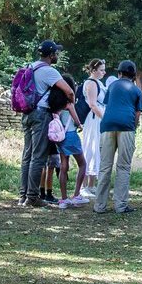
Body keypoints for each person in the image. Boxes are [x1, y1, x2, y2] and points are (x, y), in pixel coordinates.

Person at [19, 41, 76, 208]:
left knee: (27, 156)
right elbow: (69, 91)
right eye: (56, 53)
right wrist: (71, 101)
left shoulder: (30, 66)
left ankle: (23, 195)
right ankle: (32, 197)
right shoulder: (49, 71)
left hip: (27, 113)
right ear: (51, 55)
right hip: (41, 115)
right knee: (38, 157)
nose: (57, 55)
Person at [93, 61, 142, 214]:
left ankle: (99, 205)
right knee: (123, 166)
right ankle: (120, 205)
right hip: (126, 127)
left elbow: (108, 104)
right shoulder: (136, 90)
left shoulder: (113, 86)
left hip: (107, 126)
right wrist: (132, 128)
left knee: (105, 166)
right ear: (133, 75)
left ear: (120, 73)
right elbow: (137, 113)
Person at [54, 72, 90, 208]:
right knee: (82, 164)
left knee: (64, 167)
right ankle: (76, 195)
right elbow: (76, 120)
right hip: (71, 136)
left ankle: (63, 199)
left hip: (60, 138)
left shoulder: (56, 103)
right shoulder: (69, 103)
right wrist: (80, 125)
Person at [75, 60, 108, 198]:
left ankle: (91, 185)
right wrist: (105, 119)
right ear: (93, 70)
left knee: (97, 150)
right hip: (94, 120)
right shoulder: (91, 83)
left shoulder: (98, 83)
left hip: (98, 119)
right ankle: (83, 186)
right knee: (90, 148)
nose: (104, 72)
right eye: (101, 70)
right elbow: (93, 105)